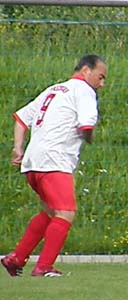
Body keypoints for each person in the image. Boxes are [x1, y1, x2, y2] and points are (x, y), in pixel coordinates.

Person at [1, 55, 107, 277]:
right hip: (54, 160)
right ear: (86, 70)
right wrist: (88, 137)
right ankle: (44, 266)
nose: (102, 83)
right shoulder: (84, 91)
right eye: (100, 77)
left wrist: (18, 148)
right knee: (66, 212)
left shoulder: (54, 89)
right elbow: (87, 125)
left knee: (50, 212)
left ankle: (16, 258)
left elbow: (21, 118)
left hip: (33, 162)